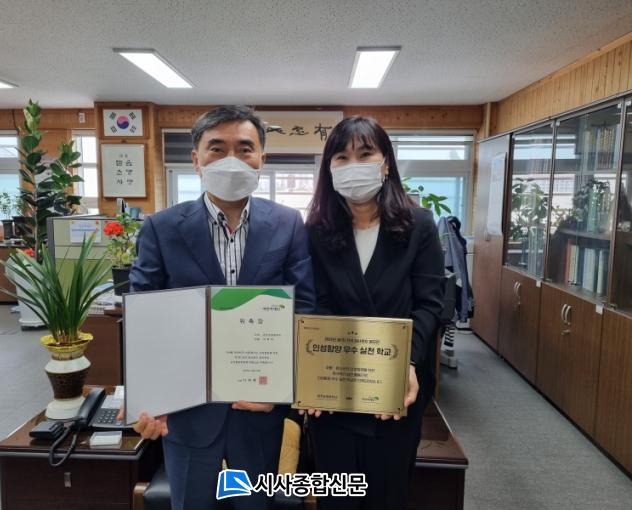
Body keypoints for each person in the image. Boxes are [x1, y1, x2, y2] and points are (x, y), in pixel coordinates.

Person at [124, 105, 315, 510]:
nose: (232, 159)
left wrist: (282, 389)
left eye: (245, 149)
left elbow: (304, 309)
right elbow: (143, 317)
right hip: (187, 410)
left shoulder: (287, 224)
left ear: (261, 159)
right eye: (217, 148)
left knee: (254, 506)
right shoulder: (161, 227)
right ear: (196, 159)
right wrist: (147, 396)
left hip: (258, 408)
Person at [302, 116, 444, 509]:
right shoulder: (315, 230)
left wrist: (405, 362)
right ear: (329, 168)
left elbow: (429, 304)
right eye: (342, 157)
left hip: (395, 384)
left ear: (385, 164)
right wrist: (318, 369)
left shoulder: (418, 224)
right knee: (338, 494)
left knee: (388, 493)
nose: (354, 166)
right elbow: (316, 303)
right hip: (334, 389)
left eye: (365, 155)